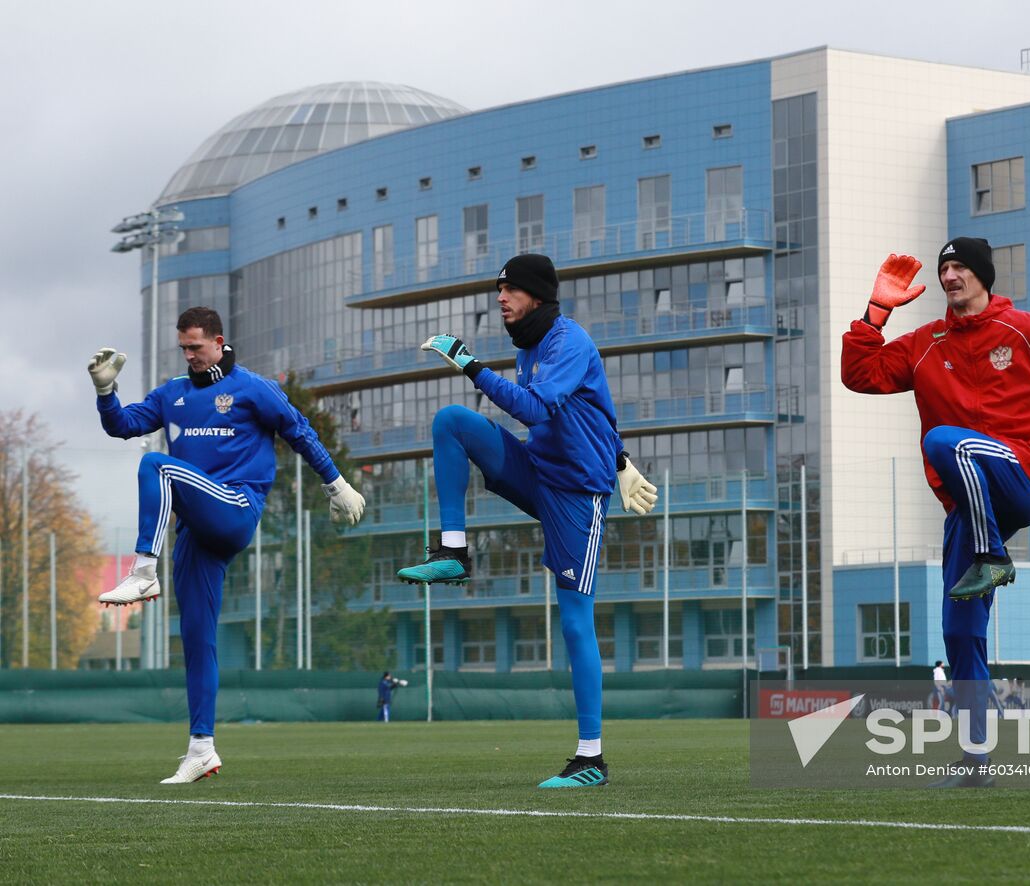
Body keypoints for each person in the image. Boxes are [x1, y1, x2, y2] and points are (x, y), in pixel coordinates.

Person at [844, 244, 1030, 788]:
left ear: (984, 277)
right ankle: (977, 760)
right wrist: (876, 313)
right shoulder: (926, 344)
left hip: (1023, 477)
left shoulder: (1025, 331)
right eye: (943, 268)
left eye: (960, 268)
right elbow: (860, 375)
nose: (949, 276)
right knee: (959, 627)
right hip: (971, 508)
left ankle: (993, 554)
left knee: (946, 440)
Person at [395, 254, 657, 789]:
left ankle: (591, 761)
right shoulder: (532, 345)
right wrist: (623, 456)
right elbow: (590, 412)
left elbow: (536, 410)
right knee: (452, 422)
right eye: (499, 289)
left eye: (510, 289)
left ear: (536, 294)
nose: (500, 297)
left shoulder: (568, 341)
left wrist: (470, 364)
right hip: (539, 470)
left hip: (577, 497)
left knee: (575, 622)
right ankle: (452, 553)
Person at [89, 307, 365, 783]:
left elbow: (298, 429)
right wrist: (105, 391)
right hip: (197, 532)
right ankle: (202, 749)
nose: (190, 356)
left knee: (156, 466)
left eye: (196, 347)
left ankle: (142, 572)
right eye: (184, 348)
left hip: (236, 508)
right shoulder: (171, 395)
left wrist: (335, 483)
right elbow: (122, 426)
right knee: (197, 641)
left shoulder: (252, 388)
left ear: (219, 342)